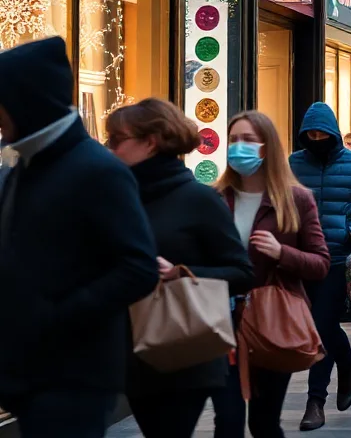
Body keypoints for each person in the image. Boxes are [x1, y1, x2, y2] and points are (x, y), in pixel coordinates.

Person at [0, 37, 160, 438]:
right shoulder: (24, 169)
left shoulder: (97, 171)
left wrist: (56, 313)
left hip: (75, 377)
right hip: (28, 371)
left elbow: (138, 267)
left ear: (26, 101)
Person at [106, 99, 255, 438]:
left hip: (183, 351)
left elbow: (242, 272)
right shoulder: (117, 198)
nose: (109, 148)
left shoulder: (198, 199)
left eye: (116, 139)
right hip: (128, 353)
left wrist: (180, 271)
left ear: (151, 141)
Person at [212, 111, 330, 438]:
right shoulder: (216, 198)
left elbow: (320, 263)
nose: (239, 147)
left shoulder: (295, 200)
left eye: (248, 140)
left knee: (263, 422)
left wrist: (282, 254)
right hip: (220, 322)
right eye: (234, 139)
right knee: (228, 420)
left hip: (270, 321)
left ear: (268, 147)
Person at [289, 102, 351, 432]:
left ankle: (315, 401)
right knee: (320, 327)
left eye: (322, 134)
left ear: (333, 134)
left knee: (320, 326)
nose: (316, 139)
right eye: (310, 134)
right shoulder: (293, 163)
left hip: (338, 258)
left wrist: (349, 229)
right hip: (301, 259)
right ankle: (347, 363)